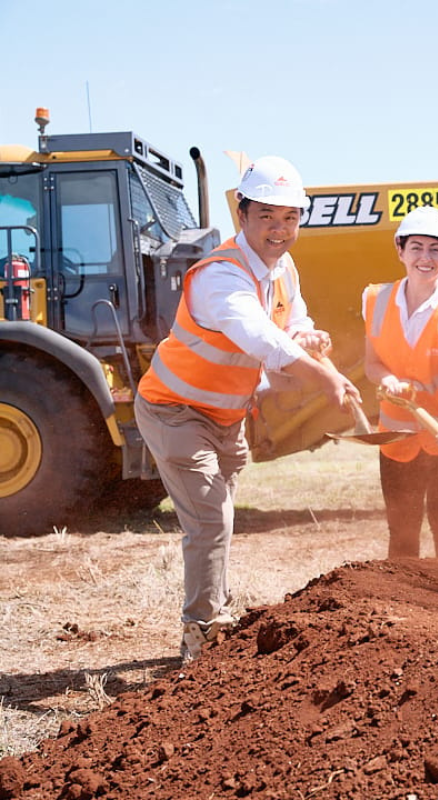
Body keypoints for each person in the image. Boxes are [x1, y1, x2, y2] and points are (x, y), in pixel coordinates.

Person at [136, 156, 361, 663]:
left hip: (226, 415)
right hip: (175, 410)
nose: (279, 230)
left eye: (290, 218)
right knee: (212, 518)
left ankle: (210, 604)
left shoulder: (283, 269)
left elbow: (291, 319)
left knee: (219, 517)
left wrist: (308, 334)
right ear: (243, 214)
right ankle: (200, 632)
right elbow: (260, 338)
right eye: (267, 217)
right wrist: (323, 375)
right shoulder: (221, 276)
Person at [364, 206, 438, 560]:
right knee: (401, 527)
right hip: (398, 435)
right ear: (400, 250)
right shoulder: (374, 300)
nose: (425, 257)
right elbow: (373, 363)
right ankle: (403, 609)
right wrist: (388, 380)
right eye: (416, 247)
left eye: (435, 249)